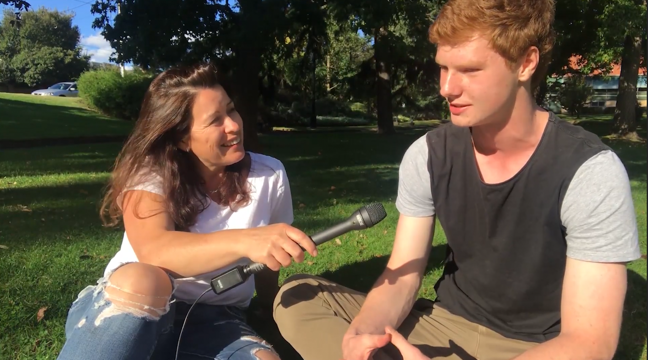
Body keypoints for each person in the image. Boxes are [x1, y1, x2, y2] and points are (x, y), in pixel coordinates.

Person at [272, 0, 641, 359]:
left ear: (526, 63)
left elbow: (590, 343)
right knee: (298, 295)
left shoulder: (590, 171)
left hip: (532, 348)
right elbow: (404, 273)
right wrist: (364, 336)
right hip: (442, 323)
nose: (446, 87)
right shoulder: (430, 154)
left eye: (469, 70)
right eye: (443, 68)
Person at [57, 62, 317, 360]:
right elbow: (156, 250)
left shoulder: (269, 174)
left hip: (217, 318)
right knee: (147, 279)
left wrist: (270, 307)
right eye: (215, 120)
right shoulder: (149, 174)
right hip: (135, 309)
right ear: (181, 137)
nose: (233, 125)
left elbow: (270, 259)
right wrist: (248, 240)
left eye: (231, 110)